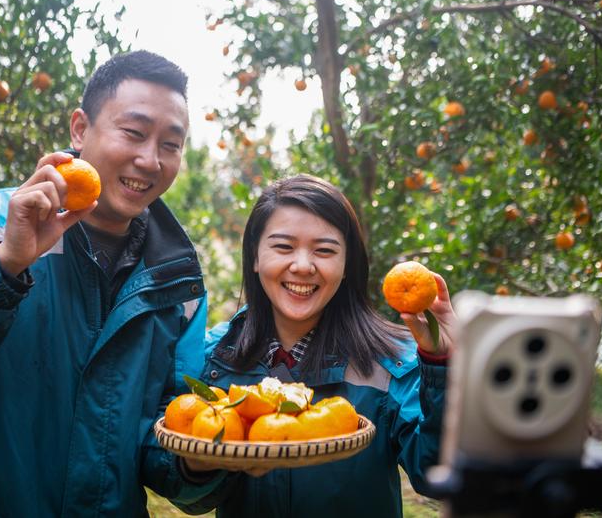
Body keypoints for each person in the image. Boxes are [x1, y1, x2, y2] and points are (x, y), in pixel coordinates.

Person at [0, 50, 217, 517]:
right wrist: (2, 265)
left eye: (171, 144)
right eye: (133, 132)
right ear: (80, 129)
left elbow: (167, 436)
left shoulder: (178, 284)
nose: (150, 160)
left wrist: (197, 463)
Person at [162, 174, 457, 517]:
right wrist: (199, 465)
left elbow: (436, 475)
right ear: (255, 258)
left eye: (324, 250)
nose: (302, 266)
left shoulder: (392, 360)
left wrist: (441, 364)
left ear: (347, 265)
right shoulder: (215, 357)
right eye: (283, 247)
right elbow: (186, 497)